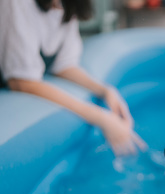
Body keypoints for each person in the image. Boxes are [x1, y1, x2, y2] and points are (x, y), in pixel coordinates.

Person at [0, 0, 146, 156]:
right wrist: (101, 118)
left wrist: (105, 90)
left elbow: (63, 65)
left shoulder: (67, 5)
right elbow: (21, 81)